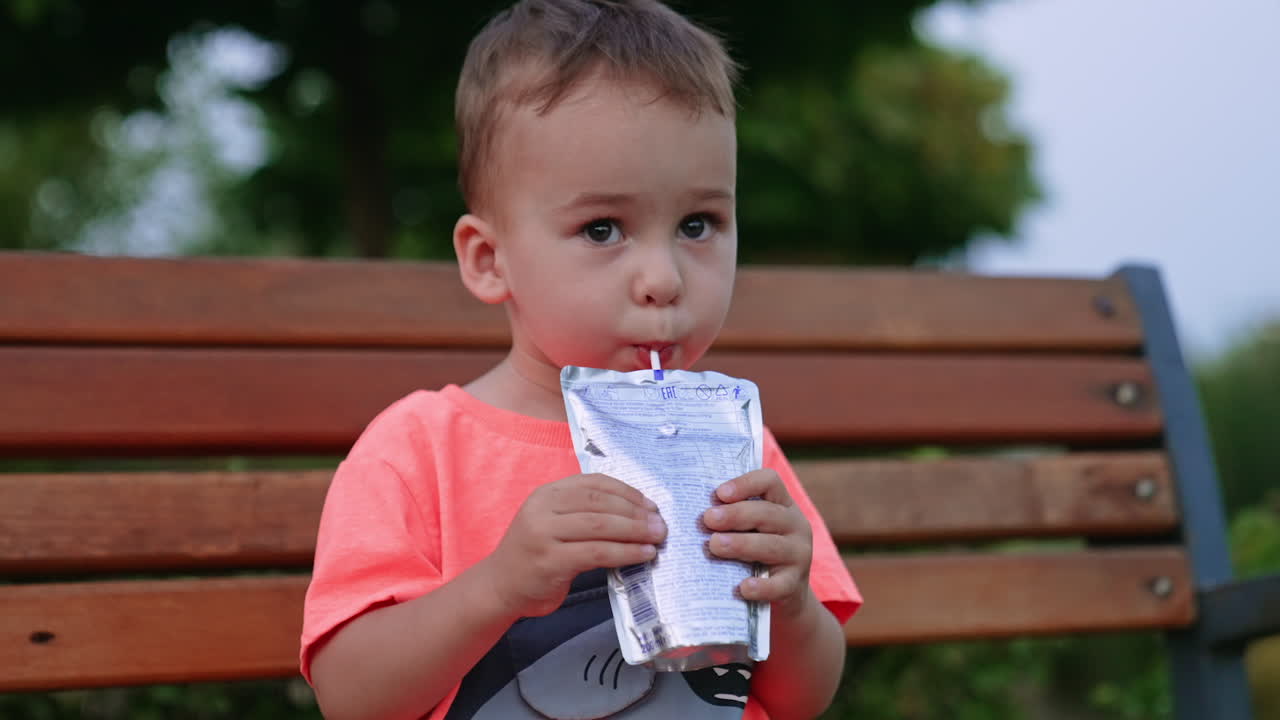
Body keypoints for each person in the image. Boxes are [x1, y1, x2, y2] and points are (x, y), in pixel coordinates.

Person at [300, 1, 861, 718]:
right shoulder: (419, 449)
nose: (663, 278)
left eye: (699, 224)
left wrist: (789, 603)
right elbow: (350, 697)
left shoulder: (734, 449)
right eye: (603, 229)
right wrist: (499, 586)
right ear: (488, 259)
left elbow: (802, 699)